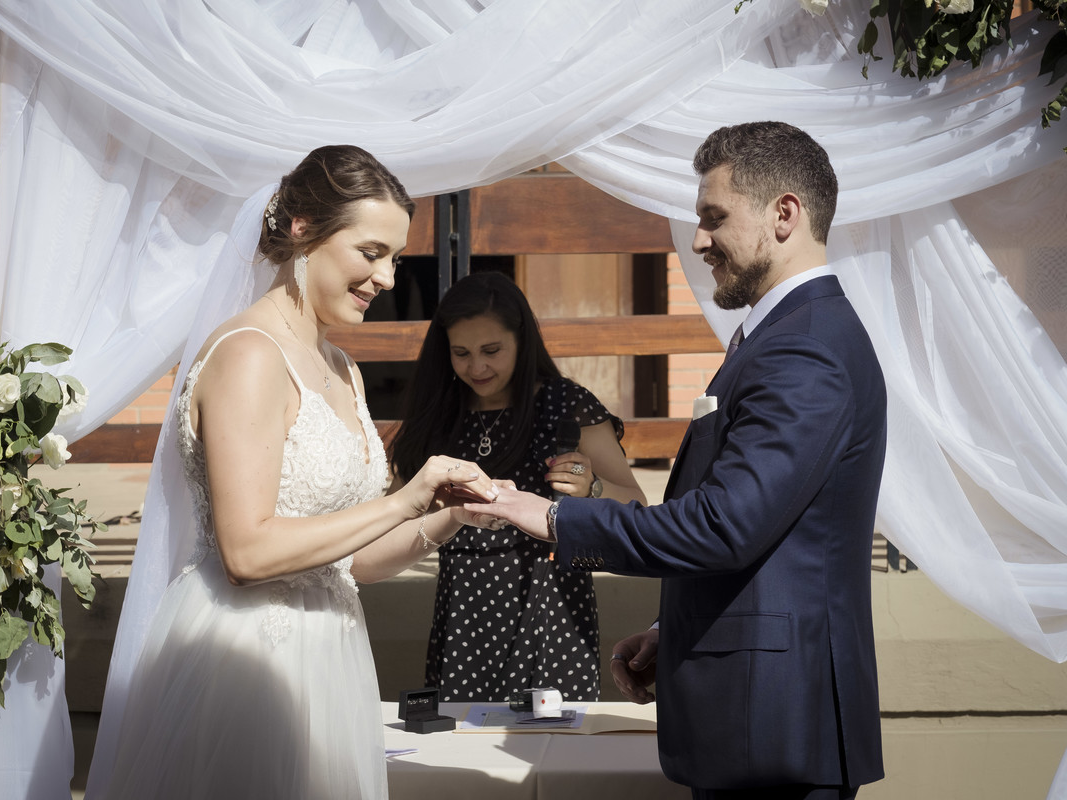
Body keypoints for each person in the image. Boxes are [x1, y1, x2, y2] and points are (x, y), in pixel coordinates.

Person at [467, 122, 887, 799]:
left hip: (776, 728)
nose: (698, 242)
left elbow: (724, 525)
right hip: (758, 716)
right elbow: (770, 543)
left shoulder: (803, 350)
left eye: (714, 218)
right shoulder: (783, 338)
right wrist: (677, 628)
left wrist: (554, 517)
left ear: (785, 214)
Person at [87, 145, 499, 800]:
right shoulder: (250, 356)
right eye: (371, 253)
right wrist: (402, 500)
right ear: (303, 228)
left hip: (330, 658)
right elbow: (247, 551)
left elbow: (350, 562)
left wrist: (449, 517)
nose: (389, 278)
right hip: (245, 661)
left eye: (394, 257)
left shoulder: (340, 367)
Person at [390, 271, 646, 702]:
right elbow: (396, 509)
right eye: (461, 353)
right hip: (463, 608)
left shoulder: (565, 403)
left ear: (522, 341)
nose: (477, 367)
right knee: (467, 748)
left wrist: (592, 488)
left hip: (549, 601)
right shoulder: (437, 411)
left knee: (551, 748)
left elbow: (636, 502)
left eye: (492, 350)